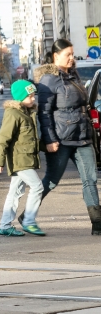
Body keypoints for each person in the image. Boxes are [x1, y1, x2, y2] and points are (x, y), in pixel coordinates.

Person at [34, 38, 101, 235]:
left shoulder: (73, 75)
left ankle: (97, 224)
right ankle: (28, 215)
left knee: (90, 179)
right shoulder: (48, 80)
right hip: (61, 139)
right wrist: (49, 140)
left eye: (73, 54)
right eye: (68, 55)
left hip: (82, 136)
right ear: (56, 57)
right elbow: (44, 113)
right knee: (52, 180)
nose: (72, 58)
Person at [0, 80, 45, 236]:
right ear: (20, 98)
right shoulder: (13, 114)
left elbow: (31, 139)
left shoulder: (27, 112)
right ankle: (29, 221)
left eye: (34, 95)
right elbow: (3, 138)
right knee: (37, 187)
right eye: (30, 96)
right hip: (20, 160)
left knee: (15, 193)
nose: (33, 99)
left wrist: (46, 147)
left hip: (26, 158)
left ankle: (5, 225)